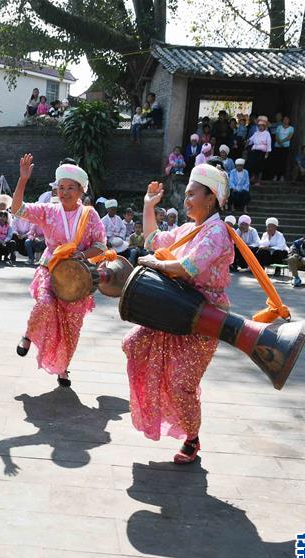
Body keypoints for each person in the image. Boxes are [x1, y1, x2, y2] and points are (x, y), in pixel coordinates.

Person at [123, 165, 233, 464]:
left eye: (192, 194)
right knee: (134, 345)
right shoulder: (188, 230)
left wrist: (155, 265)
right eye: (186, 194)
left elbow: (188, 267)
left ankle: (192, 439)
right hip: (173, 310)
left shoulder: (218, 232)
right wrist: (148, 206)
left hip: (204, 319)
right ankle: (160, 410)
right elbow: (153, 240)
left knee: (181, 383)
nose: (186, 200)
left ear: (211, 198)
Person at [11, 155, 106, 387]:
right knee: (44, 304)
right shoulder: (49, 211)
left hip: (78, 278)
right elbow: (18, 209)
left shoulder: (90, 215)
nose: (64, 192)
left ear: (81, 190)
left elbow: (101, 245)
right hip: (50, 269)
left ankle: (63, 368)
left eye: (70, 188)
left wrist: (82, 255)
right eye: (60, 188)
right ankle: (28, 335)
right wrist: (23, 180)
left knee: (72, 327)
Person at [246, 116, 271, 186]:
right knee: (251, 165)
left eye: (262, 126)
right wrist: (247, 142)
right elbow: (251, 140)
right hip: (254, 151)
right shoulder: (256, 133)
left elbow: (268, 143)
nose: (260, 127)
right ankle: (252, 179)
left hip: (262, 152)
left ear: (264, 126)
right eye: (259, 126)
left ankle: (258, 181)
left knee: (259, 167)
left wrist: (267, 153)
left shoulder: (267, 134)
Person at [271, 115, 294, 180]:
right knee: (276, 161)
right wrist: (279, 141)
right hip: (277, 146)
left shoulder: (291, 128)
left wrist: (282, 141)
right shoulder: (279, 127)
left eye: (287, 119)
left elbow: (289, 137)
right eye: (284, 119)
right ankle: (275, 175)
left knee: (283, 162)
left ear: (289, 121)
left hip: (285, 146)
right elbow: (276, 136)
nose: (285, 121)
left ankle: (282, 176)